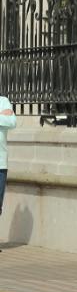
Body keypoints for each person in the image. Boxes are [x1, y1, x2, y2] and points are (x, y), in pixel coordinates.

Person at [0, 91, 13, 238]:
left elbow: (12, 122)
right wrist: (2, 116)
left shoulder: (3, 101)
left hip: (1, 163)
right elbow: (6, 120)